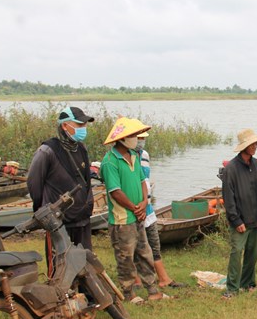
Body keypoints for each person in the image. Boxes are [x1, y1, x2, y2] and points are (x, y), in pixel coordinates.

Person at [100, 117, 169, 304]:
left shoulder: (133, 157)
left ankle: (152, 289)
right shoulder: (110, 162)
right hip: (122, 218)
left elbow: (142, 182)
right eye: (133, 135)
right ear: (122, 138)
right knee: (126, 256)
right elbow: (115, 192)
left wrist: (142, 204)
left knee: (144, 252)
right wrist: (134, 207)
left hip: (138, 214)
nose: (136, 139)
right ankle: (129, 292)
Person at [27, 106, 95, 276]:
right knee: (60, 264)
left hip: (82, 217)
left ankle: (87, 297)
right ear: (65, 126)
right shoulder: (47, 151)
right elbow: (34, 183)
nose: (83, 129)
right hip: (59, 221)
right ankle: (60, 299)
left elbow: (86, 181)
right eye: (79, 125)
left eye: (84, 125)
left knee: (85, 261)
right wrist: (43, 211)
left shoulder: (81, 148)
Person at [133, 131, 184, 289]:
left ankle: (163, 278)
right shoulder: (125, 158)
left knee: (154, 243)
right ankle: (136, 281)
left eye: (143, 138)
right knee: (134, 246)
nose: (142, 141)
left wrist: (146, 201)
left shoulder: (145, 155)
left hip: (147, 208)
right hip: (133, 208)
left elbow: (145, 180)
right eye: (139, 138)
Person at [221, 129, 257, 299]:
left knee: (253, 253)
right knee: (236, 252)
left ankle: (248, 283)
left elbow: (255, 191)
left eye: (256, 143)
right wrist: (236, 220)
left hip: (256, 216)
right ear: (244, 147)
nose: (255, 147)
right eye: (252, 144)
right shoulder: (231, 169)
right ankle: (232, 289)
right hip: (240, 220)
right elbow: (228, 197)